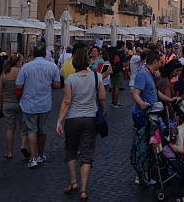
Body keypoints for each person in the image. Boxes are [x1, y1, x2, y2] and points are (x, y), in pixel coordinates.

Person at [56, 44, 106, 201]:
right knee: (87, 153)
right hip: (90, 118)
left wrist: (59, 121)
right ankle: (84, 190)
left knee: (71, 151)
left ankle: (73, 181)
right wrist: (101, 110)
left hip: (73, 118)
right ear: (87, 60)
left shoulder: (70, 79)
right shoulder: (96, 76)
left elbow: (66, 101)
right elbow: (103, 97)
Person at [15, 45, 61, 169]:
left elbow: (18, 86)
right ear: (45, 54)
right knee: (42, 131)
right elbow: (57, 85)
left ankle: (33, 158)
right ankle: (40, 155)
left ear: (33, 54)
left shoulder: (26, 67)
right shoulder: (52, 66)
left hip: (29, 103)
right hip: (45, 104)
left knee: (31, 130)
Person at [0, 54, 28, 160]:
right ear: (19, 61)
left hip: (8, 103)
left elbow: (0, 91)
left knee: (10, 129)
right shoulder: (22, 72)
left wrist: (1, 104)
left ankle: (9, 152)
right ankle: (23, 145)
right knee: (24, 128)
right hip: (21, 103)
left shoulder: (5, 73)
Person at [108, 41, 127, 108]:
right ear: (122, 46)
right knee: (117, 87)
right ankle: (115, 103)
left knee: (113, 87)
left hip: (112, 71)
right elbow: (125, 63)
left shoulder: (113, 51)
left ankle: (113, 102)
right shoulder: (122, 53)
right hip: (119, 71)